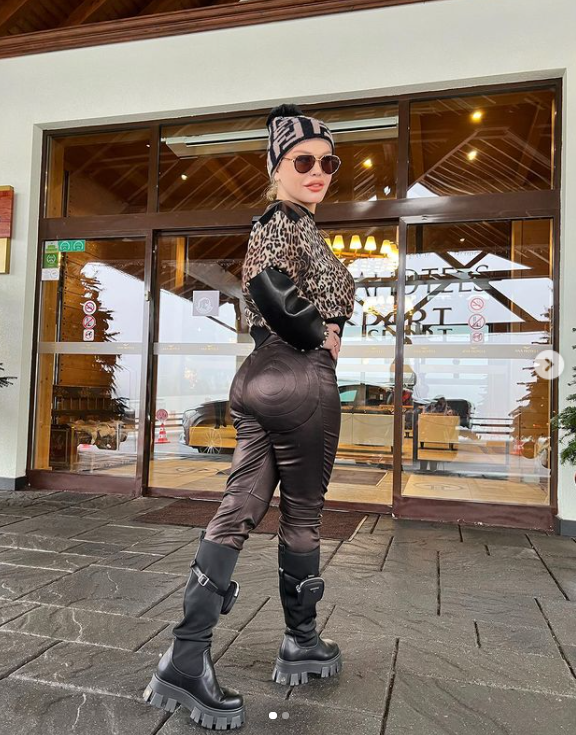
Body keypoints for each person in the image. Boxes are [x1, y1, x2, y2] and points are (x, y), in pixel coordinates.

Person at [143, 103, 356, 730]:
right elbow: (267, 282)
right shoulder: (280, 221)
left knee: (237, 509)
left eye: (328, 163)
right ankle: (301, 642)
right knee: (303, 516)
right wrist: (319, 333)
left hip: (258, 375)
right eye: (303, 160)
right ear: (276, 167)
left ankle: (185, 659)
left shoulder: (297, 225)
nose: (318, 171)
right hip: (299, 375)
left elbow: (268, 284)